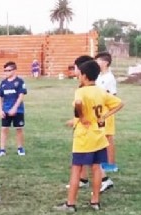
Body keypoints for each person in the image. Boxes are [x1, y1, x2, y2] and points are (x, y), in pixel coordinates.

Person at [54, 60, 124, 212]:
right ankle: (95, 201)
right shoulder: (100, 90)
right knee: (97, 169)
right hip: (99, 136)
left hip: (84, 137)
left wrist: (81, 116)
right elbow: (119, 103)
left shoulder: (81, 91)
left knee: (76, 169)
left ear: (84, 76)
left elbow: (78, 103)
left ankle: (70, 203)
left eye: (78, 72)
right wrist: (104, 116)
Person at [65, 55, 115, 192]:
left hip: (93, 127)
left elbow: (86, 107)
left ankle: (104, 180)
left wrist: (81, 118)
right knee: (89, 155)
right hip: (89, 126)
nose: (74, 71)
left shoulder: (89, 88)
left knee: (92, 156)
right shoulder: (84, 85)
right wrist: (75, 119)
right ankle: (83, 179)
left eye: (76, 68)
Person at [0, 61, 28, 157]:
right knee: (4, 129)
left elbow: (21, 96)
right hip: (6, 110)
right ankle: (2, 149)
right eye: (5, 70)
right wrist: (0, 110)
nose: (6, 72)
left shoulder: (20, 82)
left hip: (18, 110)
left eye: (8, 70)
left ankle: (20, 148)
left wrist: (14, 108)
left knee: (19, 129)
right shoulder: (3, 83)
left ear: (14, 70)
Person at [95, 51, 119, 173]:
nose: (96, 62)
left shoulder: (110, 78)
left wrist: (107, 114)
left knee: (108, 138)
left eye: (98, 60)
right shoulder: (99, 76)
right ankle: (103, 161)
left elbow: (113, 97)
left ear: (105, 63)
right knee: (101, 137)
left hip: (106, 113)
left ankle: (111, 164)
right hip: (98, 112)